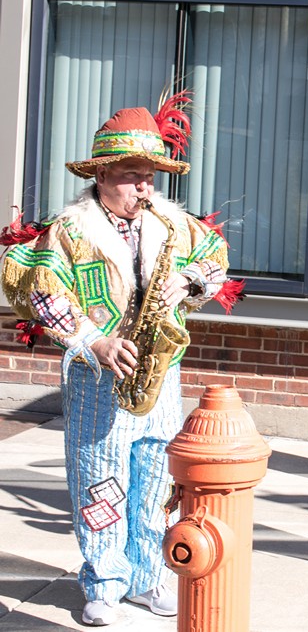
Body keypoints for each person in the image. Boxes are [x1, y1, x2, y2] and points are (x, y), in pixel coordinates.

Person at [1, 94, 241, 626]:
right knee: (100, 482)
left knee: (156, 486)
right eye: (134, 177)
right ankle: (105, 583)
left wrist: (191, 279)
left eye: (151, 178)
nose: (145, 188)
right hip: (97, 377)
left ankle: (150, 576)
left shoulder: (176, 225)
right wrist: (93, 340)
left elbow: (217, 262)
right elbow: (42, 294)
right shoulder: (69, 232)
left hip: (160, 374)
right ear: (103, 175)